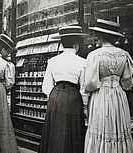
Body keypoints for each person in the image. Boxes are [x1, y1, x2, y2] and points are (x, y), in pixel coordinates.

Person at [84, 19, 133, 153]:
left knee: (102, 127)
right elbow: (127, 82)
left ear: (100, 37)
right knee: (117, 128)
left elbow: (90, 83)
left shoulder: (94, 55)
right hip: (119, 96)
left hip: (101, 95)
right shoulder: (125, 55)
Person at [40, 25, 89, 153]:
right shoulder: (82, 62)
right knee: (71, 133)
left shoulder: (53, 61)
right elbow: (84, 88)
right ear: (76, 45)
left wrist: (55, 96)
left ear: (61, 43)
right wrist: (85, 107)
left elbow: (46, 86)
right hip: (73, 96)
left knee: (54, 132)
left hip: (55, 96)